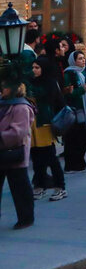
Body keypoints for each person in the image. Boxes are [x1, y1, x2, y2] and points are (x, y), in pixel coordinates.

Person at [26, 58, 66, 202]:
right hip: (33, 125)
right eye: (33, 67)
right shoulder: (31, 82)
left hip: (45, 125)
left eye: (37, 67)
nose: (34, 70)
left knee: (50, 157)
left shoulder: (49, 83)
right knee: (36, 157)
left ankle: (60, 187)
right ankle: (39, 186)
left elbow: (48, 98)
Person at [0, 77, 36, 230]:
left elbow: (17, 133)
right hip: (2, 152)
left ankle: (25, 218)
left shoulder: (21, 107)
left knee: (20, 188)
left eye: (5, 87)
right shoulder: (3, 104)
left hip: (15, 152)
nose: (2, 90)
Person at [61, 50, 86, 173]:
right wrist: (82, 90)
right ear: (73, 61)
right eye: (80, 59)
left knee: (85, 136)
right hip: (75, 110)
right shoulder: (69, 74)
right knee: (74, 138)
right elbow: (68, 94)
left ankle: (80, 160)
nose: (83, 60)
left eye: (84, 58)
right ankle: (71, 164)